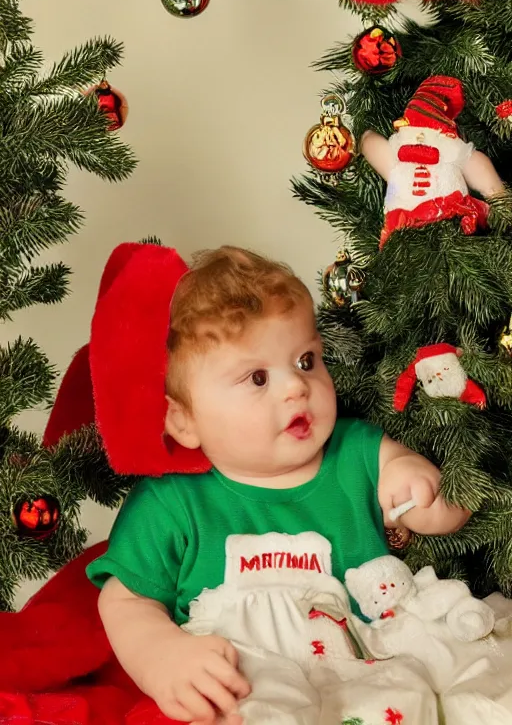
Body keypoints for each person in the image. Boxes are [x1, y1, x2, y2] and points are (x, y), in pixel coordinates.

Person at [87, 246, 471, 725]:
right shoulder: (170, 502)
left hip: (365, 663)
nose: (295, 386)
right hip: (248, 672)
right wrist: (163, 656)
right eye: (258, 377)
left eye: (306, 360)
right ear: (184, 420)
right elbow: (125, 600)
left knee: (417, 699)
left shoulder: (358, 453)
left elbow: (445, 512)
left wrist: (415, 482)